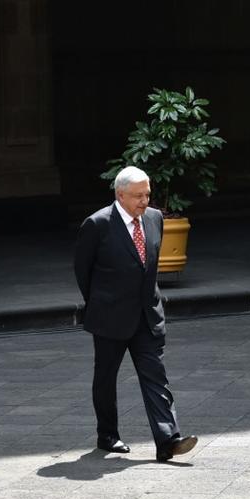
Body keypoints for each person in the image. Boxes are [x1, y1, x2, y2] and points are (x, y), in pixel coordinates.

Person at [74, 165, 197, 462]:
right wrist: (100, 303)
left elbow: (149, 268)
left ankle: (168, 439)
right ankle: (108, 435)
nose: (144, 201)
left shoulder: (155, 219)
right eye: (138, 196)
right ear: (120, 194)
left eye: (147, 194)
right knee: (105, 378)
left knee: (156, 376)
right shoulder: (98, 224)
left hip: (147, 315)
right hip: (109, 316)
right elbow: (83, 271)